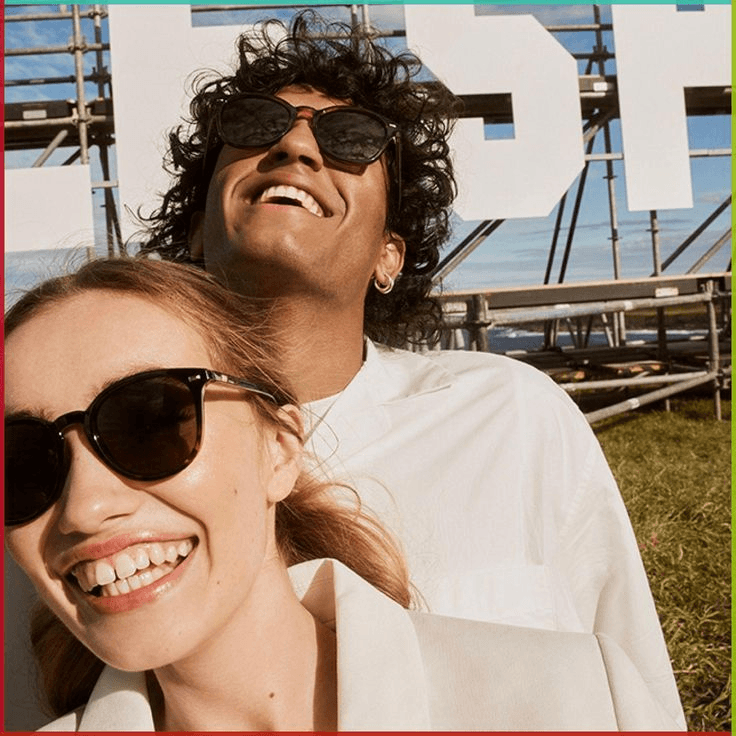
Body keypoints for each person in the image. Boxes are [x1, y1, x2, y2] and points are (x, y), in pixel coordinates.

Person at [138, 11, 685, 727]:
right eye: (255, 124)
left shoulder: (512, 417)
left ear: (388, 255)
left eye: (350, 138)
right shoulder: (101, 447)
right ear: (194, 230)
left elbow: (633, 690)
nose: (295, 145)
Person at [5, 257, 680, 731]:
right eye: (21, 462)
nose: (84, 507)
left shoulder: (581, 699)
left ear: (279, 448)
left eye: (150, 420)